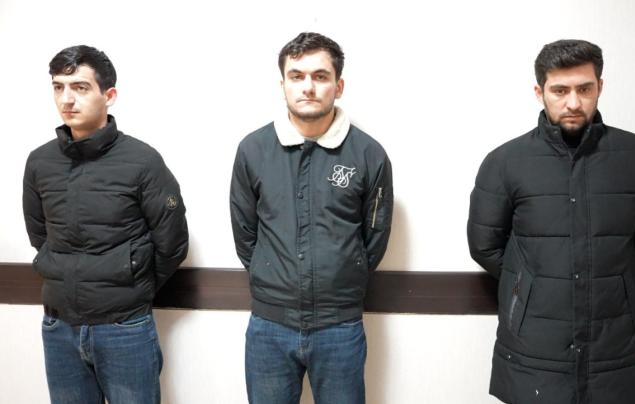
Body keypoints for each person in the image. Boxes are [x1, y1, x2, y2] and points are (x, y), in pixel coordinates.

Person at [467, 39, 635, 404]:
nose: (574, 103)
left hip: (614, 346)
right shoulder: (504, 162)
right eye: (560, 90)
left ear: (600, 87)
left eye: (584, 89)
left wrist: (611, 278)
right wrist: (532, 284)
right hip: (533, 347)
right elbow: (485, 246)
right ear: (539, 92)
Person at [230, 32, 393, 404]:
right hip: (269, 326)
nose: (308, 87)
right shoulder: (253, 150)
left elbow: (374, 238)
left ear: (339, 86)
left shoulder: (369, 154)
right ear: (283, 85)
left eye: (320, 76)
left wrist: (343, 277)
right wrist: (271, 276)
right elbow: (245, 233)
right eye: (297, 76)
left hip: (340, 326)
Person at [22, 45, 189, 404]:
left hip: (124, 327)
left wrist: (133, 285)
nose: (67, 99)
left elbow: (172, 242)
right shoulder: (39, 162)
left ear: (109, 95)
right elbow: (39, 235)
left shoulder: (142, 161)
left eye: (80, 87)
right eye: (58, 87)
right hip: (59, 326)